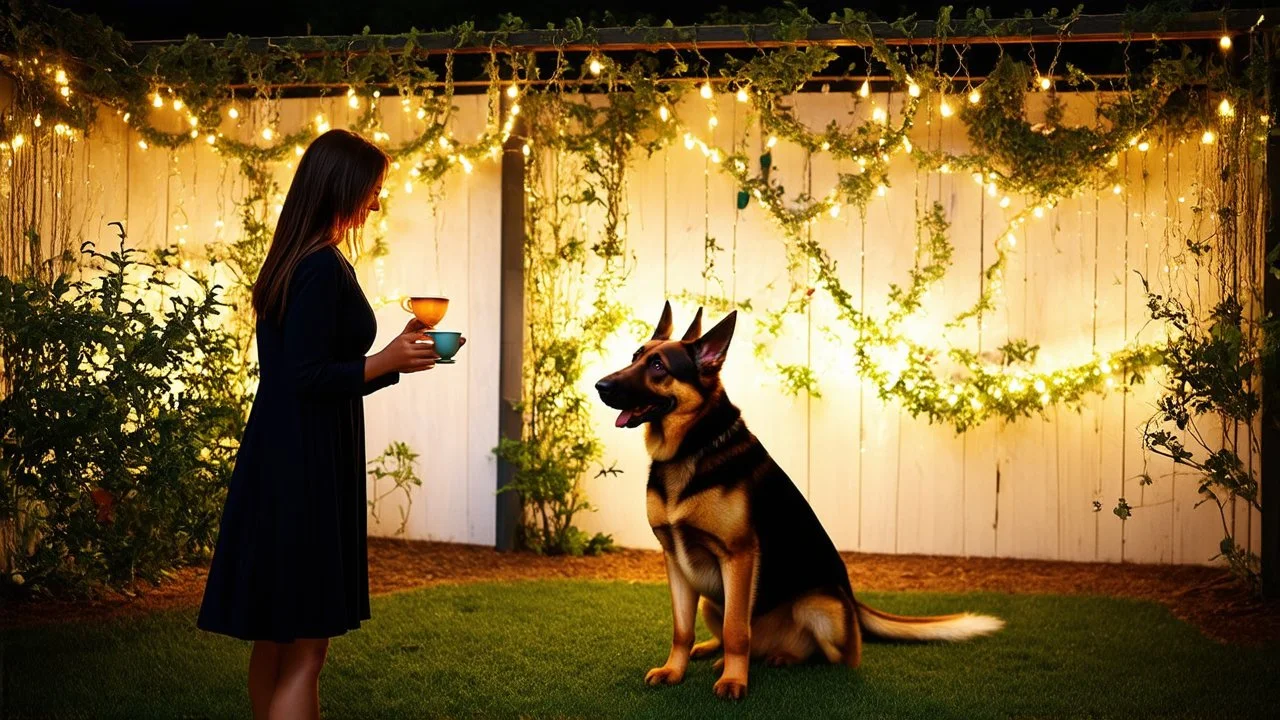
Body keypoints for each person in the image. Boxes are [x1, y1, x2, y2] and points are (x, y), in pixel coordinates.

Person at [197, 129, 458, 719]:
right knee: (306, 650)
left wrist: (389, 359)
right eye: (373, 189)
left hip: (282, 455)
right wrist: (387, 361)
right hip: (306, 466)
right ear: (343, 186)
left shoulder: (298, 258)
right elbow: (304, 377)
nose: (376, 201)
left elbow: (306, 369)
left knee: (277, 638)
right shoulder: (318, 268)